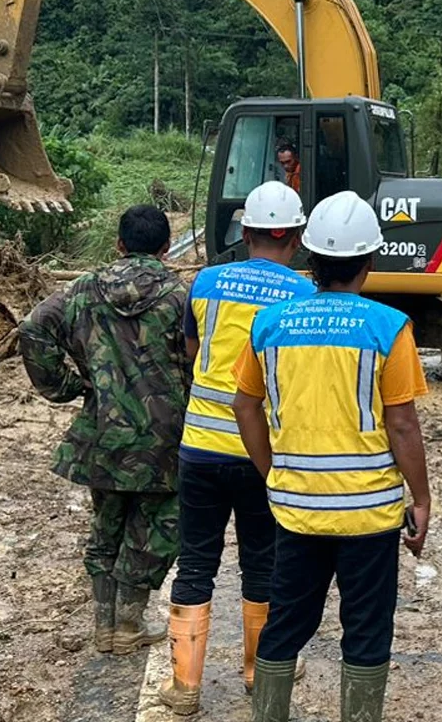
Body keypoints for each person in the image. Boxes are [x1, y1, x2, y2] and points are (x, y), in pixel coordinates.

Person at [231, 191, 431, 722]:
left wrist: (273, 472)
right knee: (366, 630)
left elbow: (244, 406)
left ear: (309, 258)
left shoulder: (269, 324)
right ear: (369, 261)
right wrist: (423, 498)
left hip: (297, 510)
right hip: (368, 514)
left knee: (286, 623)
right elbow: (402, 424)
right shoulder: (389, 327)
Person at [158, 182, 315, 715]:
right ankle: (255, 674)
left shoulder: (205, 282)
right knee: (262, 565)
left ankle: (184, 688)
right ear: (295, 237)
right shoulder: (303, 296)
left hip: (200, 447)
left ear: (243, 232)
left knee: (197, 562)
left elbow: (193, 351)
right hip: (261, 451)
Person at [19, 204, 189, 655]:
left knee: (108, 521)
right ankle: (129, 623)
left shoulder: (81, 292)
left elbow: (33, 328)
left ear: (118, 245)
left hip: (102, 432)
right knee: (158, 527)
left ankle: (104, 626)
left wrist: (66, 386)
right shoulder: (182, 297)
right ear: (166, 248)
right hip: (165, 437)